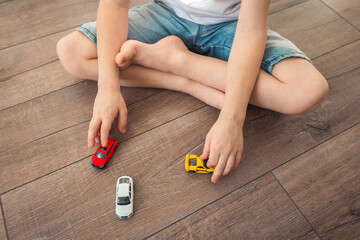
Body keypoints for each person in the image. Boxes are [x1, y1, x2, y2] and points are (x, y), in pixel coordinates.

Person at [56, 0, 328, 183]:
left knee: (307, 91)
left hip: (231, 27)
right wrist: (107, 86)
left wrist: (233, 117)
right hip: (164, 16)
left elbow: (250, 30)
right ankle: (184, 80)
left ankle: (175, 60)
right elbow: (115, 3)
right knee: (71, 52)